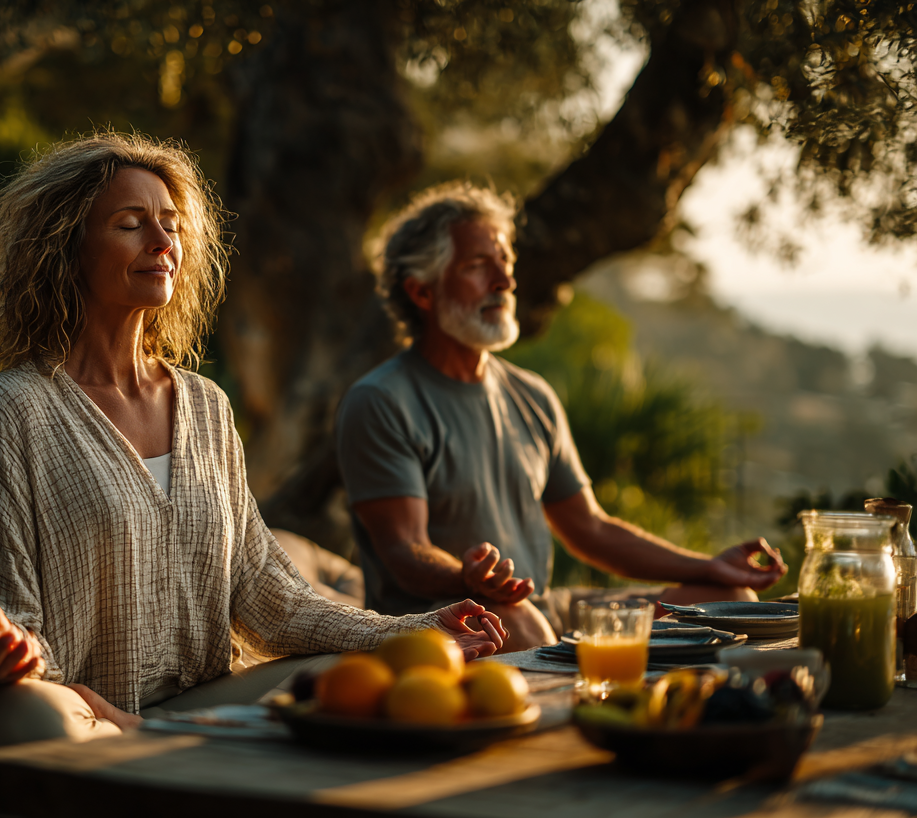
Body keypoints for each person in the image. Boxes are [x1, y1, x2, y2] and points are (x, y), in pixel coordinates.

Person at [0, 134, 506, 774]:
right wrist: (7, 657)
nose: (162, 243)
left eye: (172, 225)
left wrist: (411, 631)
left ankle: (163, 758)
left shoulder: (206, 407)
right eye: (130, 225)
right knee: (22, 724)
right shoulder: (11, 407)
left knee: (347, 680)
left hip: (190, 701)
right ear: (66, 248)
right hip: (68, 706)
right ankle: (184, 759)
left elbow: (270, 596)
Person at [335, 182, 786, 652]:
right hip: (449, 622)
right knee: (524, 627)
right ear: (422, 292)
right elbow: (402, 551)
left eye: (505, 263)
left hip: (542, 609)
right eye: (476, 266)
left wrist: (707, 566)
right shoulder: (380, 401)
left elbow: (589, 529)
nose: (505, 282)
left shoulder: (532, 395)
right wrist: (466, 577)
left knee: (729, 597)